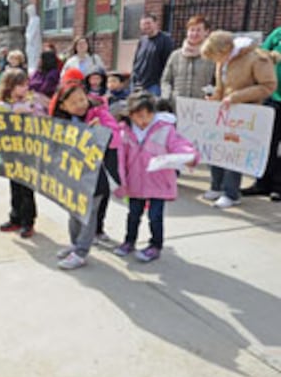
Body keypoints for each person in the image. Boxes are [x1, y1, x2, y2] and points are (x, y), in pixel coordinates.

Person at [112, 91, 200, 262]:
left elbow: (180, 145)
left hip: (159, 182)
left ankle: (155, 245)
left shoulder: (165, 129)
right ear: (130, 115)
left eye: (148, 116)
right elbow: (120, 159)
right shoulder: (124, 131)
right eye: (139, 117)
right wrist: (121, 182)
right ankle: (129, 241)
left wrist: (190, 156)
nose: (144, 121)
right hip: (135, 182)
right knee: (133, 214)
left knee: (156, 216)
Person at [200, 30, 277, 208]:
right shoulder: (223, 60)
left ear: (226, 49)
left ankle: (231, 193)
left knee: (234, 154)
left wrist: (236, 97)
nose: (216, 62)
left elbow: (268, 86)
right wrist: (214, 97)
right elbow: (222, 86)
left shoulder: (256, 58)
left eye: (216, 57)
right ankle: (217, 186)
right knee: (216, 148)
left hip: (245, 113)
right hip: (225, 112)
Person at [50, 82, 120, 270]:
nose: (81, 104)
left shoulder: (100, 114)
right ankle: (75, 244)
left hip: (98, 176)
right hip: (75, 175)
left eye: (82, 99)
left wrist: (101, 131)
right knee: (74, 211)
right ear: (63, 106)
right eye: (74, 102)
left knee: (88, 214)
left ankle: (81, 252)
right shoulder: (63, 121)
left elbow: (116, 138)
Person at [0, 68, 46, 239]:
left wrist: (29, 112)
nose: (25, 88)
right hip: (11, 151)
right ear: (10, 86)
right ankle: (15, 218)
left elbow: (43, 117)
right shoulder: (3, 103)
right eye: (21, 85)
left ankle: (28, 222)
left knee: (26, 188)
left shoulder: (31, 102)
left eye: (26, 85)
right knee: (14, 186)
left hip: (28, 150)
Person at [242, 26, 281, 201]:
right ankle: (262, 182)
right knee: (267, 143)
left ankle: (278, 186)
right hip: (272, 97)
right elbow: (262, 53)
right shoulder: (278, 33)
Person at [160, 14, 214, 110]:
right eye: (192, 30)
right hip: (176, 106)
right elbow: (165, 80)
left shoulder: (212, 56)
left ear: (206, 32)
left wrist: (213, 95)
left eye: (198, 30)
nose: (194, 33)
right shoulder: (175, 55)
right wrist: (167, 96)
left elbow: (218, 83)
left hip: (202, 108)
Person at [131, 13, 174, 96]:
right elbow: (136, 61)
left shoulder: (165, 40)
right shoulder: (142, 40)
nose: (146, 26)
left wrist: (162, 83)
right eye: (143, 24)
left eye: (148, 23)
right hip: (138, 84)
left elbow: (168, 63)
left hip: (154, 85)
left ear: (156, 23)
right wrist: (133, 78)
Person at [25, 4, 42, 73]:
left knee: (34, 56)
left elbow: (33, 31)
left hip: (33, 42)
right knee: (30, 57)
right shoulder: (31, 20)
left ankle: (33, 70)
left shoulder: (36, 19)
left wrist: (28, 36)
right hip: (30, 42)